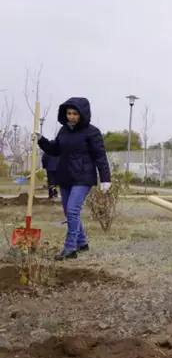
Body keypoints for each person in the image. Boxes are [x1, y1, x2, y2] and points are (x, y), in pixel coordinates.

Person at [37, 98, 112, 261]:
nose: (71, 117)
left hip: (83, 176)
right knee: (68, 211)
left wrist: (105, 178)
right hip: (65, 176)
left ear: (82, 114)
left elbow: (100, 156)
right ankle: (82, 242)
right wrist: (41, 140)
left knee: (72, 210)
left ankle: (70, 248)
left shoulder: (92, 132)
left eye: (75, 114)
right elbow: (55, 150)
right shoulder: (63, 131)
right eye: (69, 113)